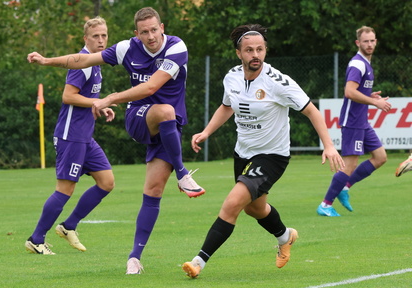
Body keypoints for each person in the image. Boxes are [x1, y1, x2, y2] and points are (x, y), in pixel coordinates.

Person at [27, 7, 205, 272]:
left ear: (162, 27)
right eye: (144, 32)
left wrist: (109, 99)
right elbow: (82, 60)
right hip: (136, 118)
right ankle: (182, 173)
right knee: (165, 110)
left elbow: (152, 86)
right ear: (137, 34)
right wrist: (46, 60)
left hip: (167, 127)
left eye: (154, 30)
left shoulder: (176, 48)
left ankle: (134, 258)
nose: (150, 36)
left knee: (149, 190)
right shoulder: (126, 48)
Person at [181, 24, 345, 279]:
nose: (255, 54)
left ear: (266, 51)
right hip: (243, 153)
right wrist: (206, 132)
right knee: (254, 209)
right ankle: (285, 236)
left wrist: (329, 144)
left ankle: (198, 261)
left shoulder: (278, 82)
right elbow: (227, 107)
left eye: (260, 49)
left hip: (272, 156)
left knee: (233, 204)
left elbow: (311, 110)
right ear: (239, 53)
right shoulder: (232, 77)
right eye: (249, 50)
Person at [25, 16, 115, 255]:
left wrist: (99, 105)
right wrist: (97, 101)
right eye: (95, 36)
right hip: (71, 136)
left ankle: (69, 226)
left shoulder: (95, 63)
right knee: (65, 189)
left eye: (104, 35)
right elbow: (68, 96)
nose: (101, 39)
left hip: (85, 136)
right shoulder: (84, 63)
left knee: (107, 182)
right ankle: (36, 239)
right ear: (86, 38)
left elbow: (85, 99)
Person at [317, 26, 392, 217]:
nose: (369, 44)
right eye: (365, 41)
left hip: (362, 121)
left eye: (372, 40)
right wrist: (375, 101)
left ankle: (345, 186)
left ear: (376, 42)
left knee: (380, 157)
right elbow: (349, 92)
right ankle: (325, 204)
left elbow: (357, 91)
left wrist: (369, 95)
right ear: (358, 43)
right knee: (349, 165)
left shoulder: (366, 63)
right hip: (352, 121)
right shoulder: (358, 64)